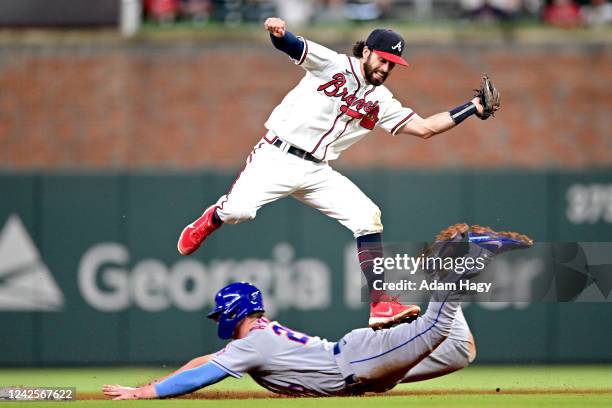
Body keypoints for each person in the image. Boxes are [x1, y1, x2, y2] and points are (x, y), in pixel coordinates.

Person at [177, 16, 496, 330]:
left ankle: (380, 303)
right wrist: (278, 34)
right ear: (367, 51)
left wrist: (470, 108)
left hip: (318, 171)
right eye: (382, 60)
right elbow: (293, 46)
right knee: (238, 211)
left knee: (367, 215)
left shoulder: (382, 100)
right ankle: (213, 216)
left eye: (392, 65)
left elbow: (425, 128)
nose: (385, 69)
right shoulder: (332, 64)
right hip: (277, 155)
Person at [103, 224, 532, 399]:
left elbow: (207, 373)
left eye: (222, 317)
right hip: (362, 371)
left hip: (357, 362)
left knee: (437, 324)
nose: (221, 326)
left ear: (235, 314)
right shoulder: (256, 341)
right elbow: (209, 362)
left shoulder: (254, 342)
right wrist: (160, 381)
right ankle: (449, 262)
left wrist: (148, 393)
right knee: (459, 350)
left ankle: (464, 256)